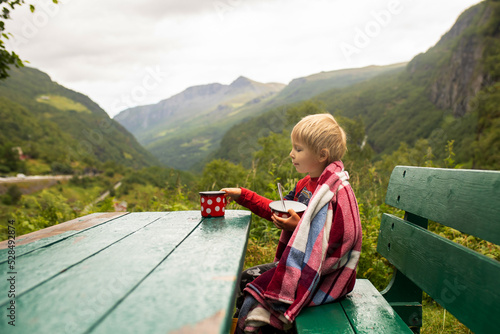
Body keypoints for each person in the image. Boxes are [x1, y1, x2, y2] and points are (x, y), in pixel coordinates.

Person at [222, 113, 362, 334]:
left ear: (321, 154)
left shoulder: (335, 191)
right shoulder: (305, 185)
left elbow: (341, 240)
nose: (291, 153)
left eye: (298, 149)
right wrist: (243, 195)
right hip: (299, 264)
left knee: (253, 294)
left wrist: (297, 228)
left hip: (322, 275)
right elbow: (276, 209)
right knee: (244, 280)